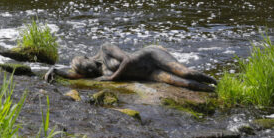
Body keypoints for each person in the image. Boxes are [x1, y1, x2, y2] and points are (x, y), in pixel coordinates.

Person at [45, 43, 217, 92]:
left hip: (151, 57)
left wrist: (113, 78)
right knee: (183, 83)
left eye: (82, 65)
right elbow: (71, 76)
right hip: (149, 74)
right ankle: (215, 92)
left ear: (86, 57)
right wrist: (54, 71)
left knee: (185, 73)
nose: (85, 69)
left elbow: (126, 60)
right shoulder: (97, 72)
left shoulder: (105, 49)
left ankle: (218, 83)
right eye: (82, 70)